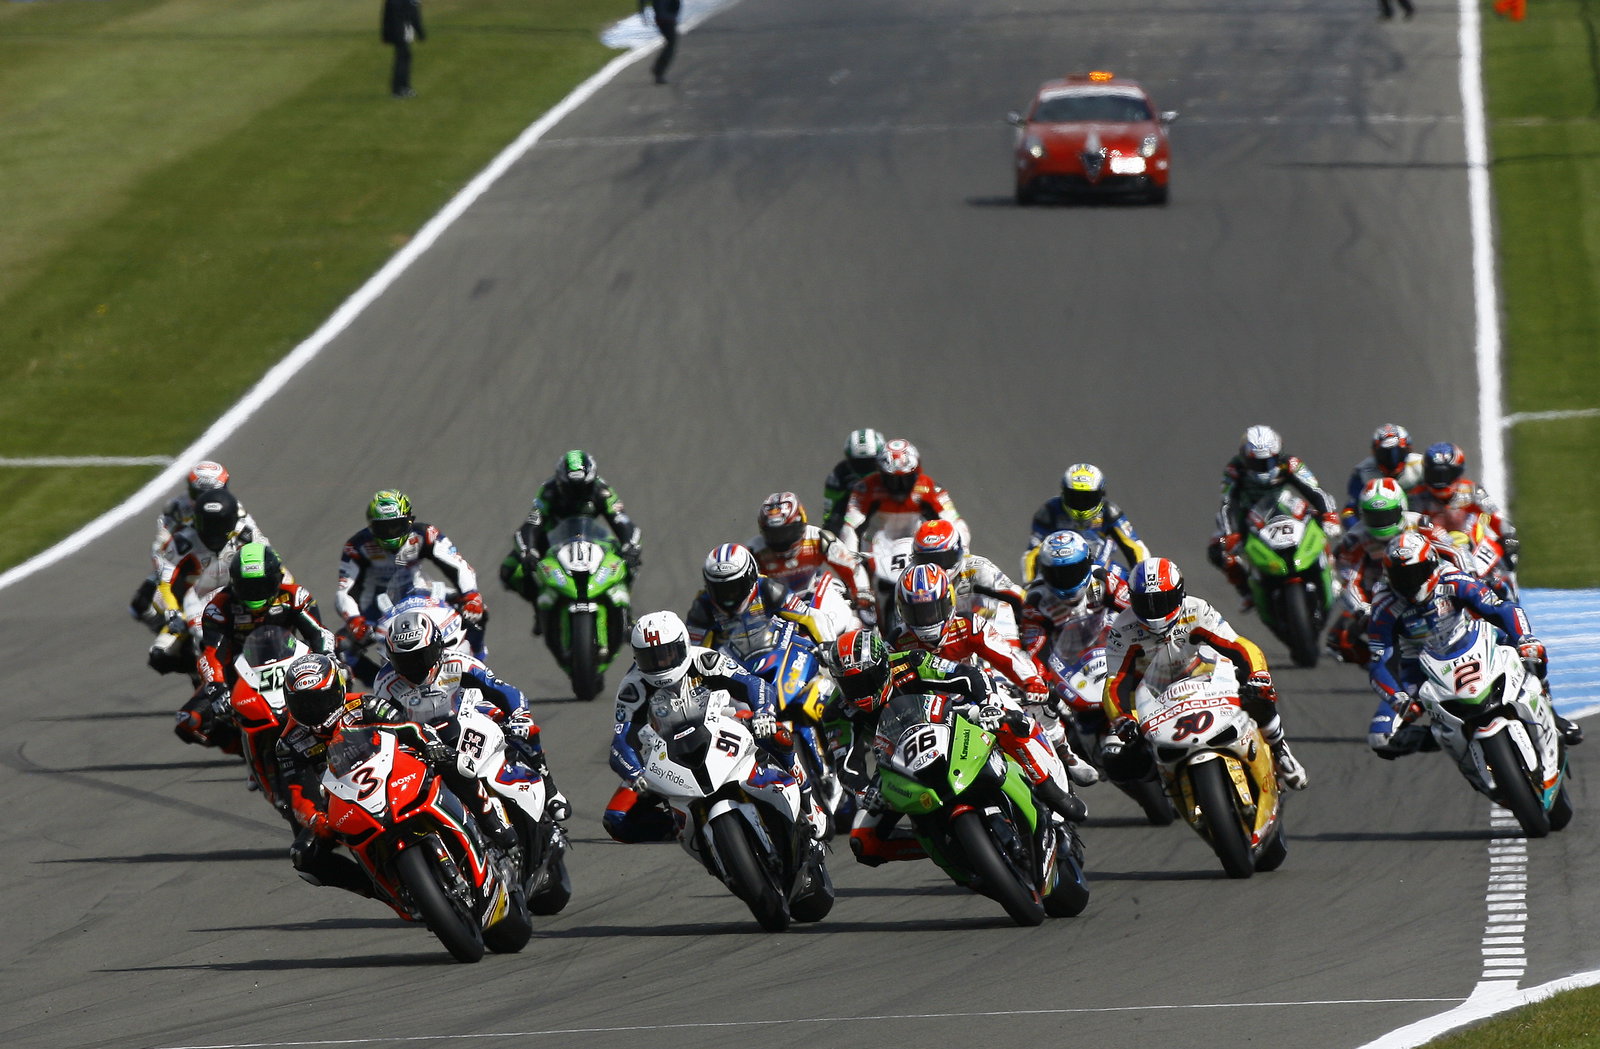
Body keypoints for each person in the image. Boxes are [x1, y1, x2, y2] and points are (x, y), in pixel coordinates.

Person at [821, 627, 1083, 868]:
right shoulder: (836, 710)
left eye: (867, 679)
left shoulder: (909, 661)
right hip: (896, 760)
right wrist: (863, 791)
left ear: (882, 666)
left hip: (952, 721)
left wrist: (987, 703)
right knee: (863, 842)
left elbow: (968, 676)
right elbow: (846, 762)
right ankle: (941, 845)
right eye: (850, 684)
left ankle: (1049, 789)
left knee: (1009, 721)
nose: (860, 691)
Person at [605, 611, 829, 843]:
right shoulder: (632, 689)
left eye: (666, 654)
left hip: (723, 726)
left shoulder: (703, 660)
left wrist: (763, 713)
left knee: (776, 734)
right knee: (617, 819)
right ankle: (686, 828)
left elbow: (754, 684)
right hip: (666, 756)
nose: (660, 664)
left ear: (683, 645)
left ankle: (807, 801)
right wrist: (635, 774)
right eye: (650, 658)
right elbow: (620, 743)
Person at [1365, 532, 1581, 757]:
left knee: (1532, 652)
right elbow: (1378, 661)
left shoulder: (1451, 578)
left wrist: (1524, 638)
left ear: (1430, 565)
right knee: (1381, 739)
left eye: (1414, 573)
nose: (1408, 582)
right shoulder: (1384, 605)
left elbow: (1500, 607)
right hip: (1420, 666)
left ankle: (1551, 715)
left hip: (1472, 641)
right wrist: (1397, 698)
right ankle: (1448, 736)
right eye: (1400, 576)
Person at [1101, 557, 1309, 790]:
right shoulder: (1122, 628)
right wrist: (1122, 718)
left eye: (1162, 601)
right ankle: (1164, 781)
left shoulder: (1197, 609)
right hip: (1152, 694)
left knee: (1256, 689)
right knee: (1114, 759)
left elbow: (1239, 645)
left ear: (1179, 593)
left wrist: (1258, 674)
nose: (1153, 610)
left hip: (1205, 677)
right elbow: (1115, 681)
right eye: (1144, 602)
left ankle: (1279, 748)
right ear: (1131, 598)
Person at [275, 653, 454, 901]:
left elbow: (407, 731)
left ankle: (487, 825)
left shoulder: (366, 705)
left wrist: (428, 748)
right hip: (340, 802)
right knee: (303, 855)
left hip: (393, 774)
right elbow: (297, 791)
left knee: (453, 766)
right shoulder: (289, 743)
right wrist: (316, 818)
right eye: (304, 704)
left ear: (337, 690)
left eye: (320, 700)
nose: (314, 711)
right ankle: (379, 890)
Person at [370, 609, 569, 822]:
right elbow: (382, 723)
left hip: (468, 713)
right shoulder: (386, 683)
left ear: (437, 648)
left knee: (524, 728)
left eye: (421, 657)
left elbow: (504, 690)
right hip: (425, 737)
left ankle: (549, 787)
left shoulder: (459, 663)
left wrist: (520, 715)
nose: (415, 667)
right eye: (405, 661)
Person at [178, 543, 335, 746]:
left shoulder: (294, 596)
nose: (255, 593)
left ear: (276, 580)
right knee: (189, 721)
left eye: (262, 585)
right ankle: (245, 746)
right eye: (247, 587)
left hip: (290, 665)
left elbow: (319, 634)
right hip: (238, 674)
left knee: (340, 672)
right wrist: (217, 687)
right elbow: (211, 654)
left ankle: (337, 736)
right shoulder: (219, 607)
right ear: (234, 583)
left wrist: (329, 659)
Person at [1326, 477, 1470, 663]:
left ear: (1401, 507)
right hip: (1381, 592)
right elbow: (1347, 576)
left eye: (1386, 515)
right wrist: (1362, 608)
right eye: (1374, 516)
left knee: (1475, 602)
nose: (1381, 523)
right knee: (1340, 639)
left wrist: (1467, 578)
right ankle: (1384, 666)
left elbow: (1453, 551)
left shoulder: (1420, 523)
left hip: (1429, 586)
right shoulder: (1355, 538)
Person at [1019, 530, 1131, 763]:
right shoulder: (1037, 599)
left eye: (1072, 571)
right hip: (1073, 664)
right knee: (1058, 714)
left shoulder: (1101, 579)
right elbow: (1035, 647)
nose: (1066, 579)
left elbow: (1134, 608)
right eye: (1057, 573)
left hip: (1112, 648)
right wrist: (1042, 679)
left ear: (1087, 563)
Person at [337, 489, 488, 658]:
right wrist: (354, 620)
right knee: (341, 645)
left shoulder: (426, 534)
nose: (391, 533)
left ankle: (478, 659)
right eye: (383, 528)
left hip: (420, 590)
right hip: (376, 607)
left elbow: (458, 566)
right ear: (371, 527)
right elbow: (344, 590)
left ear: (409, 520)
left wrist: (471, 595)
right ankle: (377, 682)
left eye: (396, 526)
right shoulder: (357, 546)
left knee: (478, 610)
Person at [499, 449, 642, 625]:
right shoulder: (548, 492)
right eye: (571, 488)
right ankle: (541, 606)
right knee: (510, 570)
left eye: (583, 488)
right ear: (560, 482)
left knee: (630, 561)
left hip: (594, 538)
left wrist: (630, 546)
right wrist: (528, 551)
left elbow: (622, 521)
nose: (577, 494)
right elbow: (531, 525)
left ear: (592, 480)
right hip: (552, 539)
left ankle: (625, 612)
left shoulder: (603, 491)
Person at [1208, 425, 1341, 606]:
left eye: (1269, 462)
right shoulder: (1234, 470)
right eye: (1257, 463)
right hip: (1248, 511)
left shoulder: (1290, 463)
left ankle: (1331, 575)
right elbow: (1227, 504)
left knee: (1317, 521)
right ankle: (1246, 591)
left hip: (1283, 502)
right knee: (1216, 550)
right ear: (1245, 458)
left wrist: (1329, 515)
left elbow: (1314, 490)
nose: (1263, 468)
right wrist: (1229, 534)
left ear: (1278, 455)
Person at [146, 487, 273, 676]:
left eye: (217, 525)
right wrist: (172, 611)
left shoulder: (246, 534)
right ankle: (201, 676)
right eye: (205, 524)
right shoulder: (183, 541)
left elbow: (272, 564)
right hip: (197, 598)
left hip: (241, 594)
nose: (210, 531)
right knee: (160, 656)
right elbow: (165, 581)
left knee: (280, 617)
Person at [130, 460, 242, 628]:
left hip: (222, 561)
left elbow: (255, 539)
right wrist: (167, 563)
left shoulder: (232, 508)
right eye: (198, 493)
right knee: (141, 604)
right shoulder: (176, 508)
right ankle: (176, 636)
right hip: (184, 562)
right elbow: (159, 548)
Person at [750, 491, 875, 632]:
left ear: (801, 522)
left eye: (787, 532)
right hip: (779, 606)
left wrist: (861, 593)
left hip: (816, 592)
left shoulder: (819, 538)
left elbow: (851, 566)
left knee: (857, 622)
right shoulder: (755, 551)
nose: (781, 540)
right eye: (774, 535)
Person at [837, 438, 967, 554]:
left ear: (916, 472)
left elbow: (956, 523)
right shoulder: (865, 488)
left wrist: (963, 553)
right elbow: (849, 527)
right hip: (875, 549)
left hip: (914, 547)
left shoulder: (930, 488)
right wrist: (851, 558)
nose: (899, 486)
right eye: (892, 479)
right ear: (881, 474)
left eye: (906, 479)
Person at [1024, 463, 1150, 579]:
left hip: (1100, 569)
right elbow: (1031, 555)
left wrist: (1140, 582)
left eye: (1087, 498)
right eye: (1075, 497)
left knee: (1127, 581)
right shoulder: (1049, 511)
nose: (1081, 504)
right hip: (1058, 575)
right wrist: (1029, 586)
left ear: (1100, 495)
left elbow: (1136, 547)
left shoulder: (1110, 512)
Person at [1408, 442, 1520, 571]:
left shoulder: (1473, 492)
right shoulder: (1417, 498)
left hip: (1478, 554)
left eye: (1444, 474)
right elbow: (1410, 531)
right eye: (1434, 474)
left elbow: (1498, 521)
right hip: (1436, 557)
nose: (1439, 481)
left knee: (1501, 572)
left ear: (1457, 472)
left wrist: (1509, 541)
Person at [910, 519, 1025, 643]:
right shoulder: (910, 580)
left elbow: (1020, 597)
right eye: (927, 561)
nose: (936, 569)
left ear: (957, 551)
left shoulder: (979, 569)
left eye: (941, 559)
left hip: (984, 633)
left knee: (1002, 608)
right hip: (939, 641)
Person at [1343, 424, 1424, 524]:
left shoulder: (1422, 465)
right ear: (1375, 454)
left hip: (1421, 521)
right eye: (1385, 455)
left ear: (1409, 450)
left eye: (1398, 453)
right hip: (1384, 526)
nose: (1392, 460)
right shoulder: (1362, 472)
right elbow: (1349, 511)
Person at [821, 428, 885, 535]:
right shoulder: (838, 475)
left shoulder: (890, 471)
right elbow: (830, 513)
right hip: (853, 515)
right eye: (858, 463)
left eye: (870, 462)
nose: (864, 468)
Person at [381, 0, 424, 98]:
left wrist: (385, 35)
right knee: (403, 60)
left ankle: (399, 88)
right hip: (404, 32)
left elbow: (386, 17)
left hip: (394, 33)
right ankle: (401, 88)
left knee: (402, 59)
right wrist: (421, 33)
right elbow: (414, 15)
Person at [639, 0, 681, 84]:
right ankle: (658, 70)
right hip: (666, 18)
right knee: (671, 44)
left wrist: (642, 12)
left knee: (670, 43)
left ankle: (658, 70)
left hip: (664, 17)